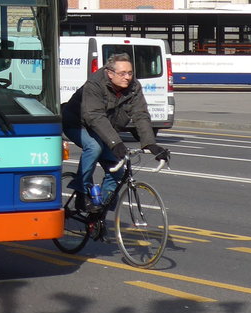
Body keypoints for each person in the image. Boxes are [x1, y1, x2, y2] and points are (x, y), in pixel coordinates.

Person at [61, 53, 170, 211]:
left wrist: (151, 144)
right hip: (78, 124)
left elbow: (140, 114)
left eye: (130, 73)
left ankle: (101, 210)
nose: (127, 77)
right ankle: (81, 191)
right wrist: (115, 143)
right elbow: (94, 116)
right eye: (122, 73)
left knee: (118, 169)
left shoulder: (133, 86)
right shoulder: (95, 84)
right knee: (94, 147)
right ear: (110, 73)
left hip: (104, 128)